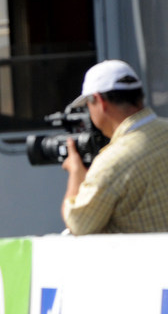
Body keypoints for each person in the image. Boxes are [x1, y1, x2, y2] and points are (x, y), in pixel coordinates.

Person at [61, 59, 168, 234]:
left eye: (88, 105)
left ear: (99, 101)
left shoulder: (112, 162)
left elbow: (78, 224)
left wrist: (75, 172)